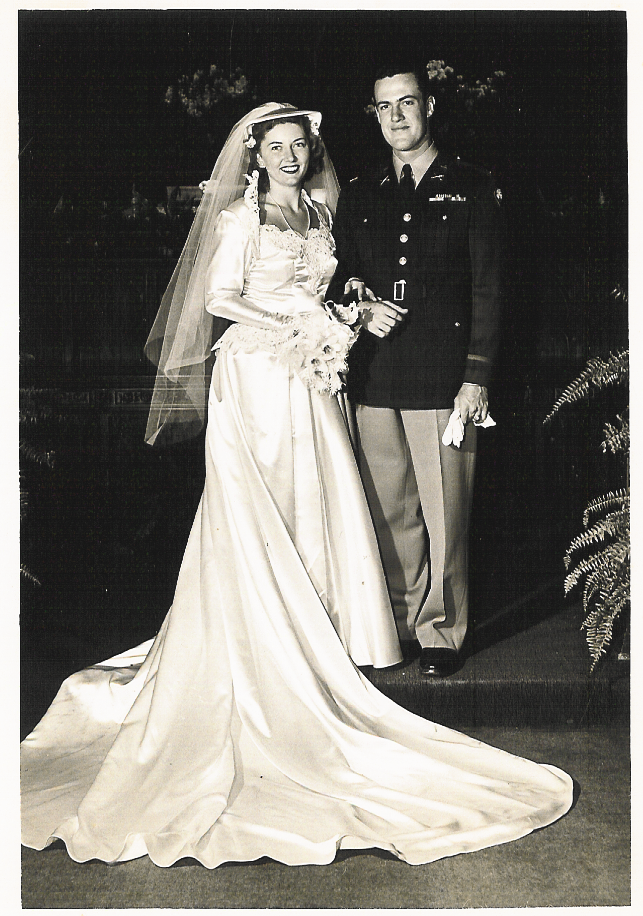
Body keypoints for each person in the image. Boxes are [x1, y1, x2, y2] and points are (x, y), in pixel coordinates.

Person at [21, 103, 572, 870]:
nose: (288, 155)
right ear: (254, 155)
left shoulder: (315, 206)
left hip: (311, 377)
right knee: (262, 510)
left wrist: (340, 312)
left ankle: (324, 637)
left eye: (297, 145)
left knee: (320, 499)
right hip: (258, 375)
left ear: (310, 150)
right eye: (274, 147)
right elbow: (218, 300)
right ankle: (268, 642)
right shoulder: (240, 220)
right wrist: (293, 325)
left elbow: (330, 280)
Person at [327, 64, 503, 678]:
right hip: (376, 376)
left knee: (445, 510)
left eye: (406, 104)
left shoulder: (473, 186)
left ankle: (442, 632)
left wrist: (475, 377)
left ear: (428, 107)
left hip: (443, 377)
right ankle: (398, 625)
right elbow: (338, 273)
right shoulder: (363, 188)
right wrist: (358, 300)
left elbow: (489, 289)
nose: (396, 117)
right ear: (373, 115)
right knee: (390, 510)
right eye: (383, 107)